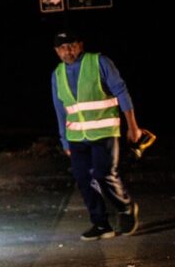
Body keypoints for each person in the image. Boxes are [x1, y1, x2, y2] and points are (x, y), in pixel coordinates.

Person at [51, 29, 141, 241]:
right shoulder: (57, 74)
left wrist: (133, 126)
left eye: (71, 46)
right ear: (56, 51)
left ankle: (126, 207)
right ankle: (101, 224)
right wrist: (64, 139)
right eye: (62, 48)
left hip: (104, 131)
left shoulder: (99, 62)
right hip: (76, 137)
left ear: (80, 45)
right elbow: (60, 109)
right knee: (83, 180)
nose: (67, 51)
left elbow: (121, 91)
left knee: (104, 175)